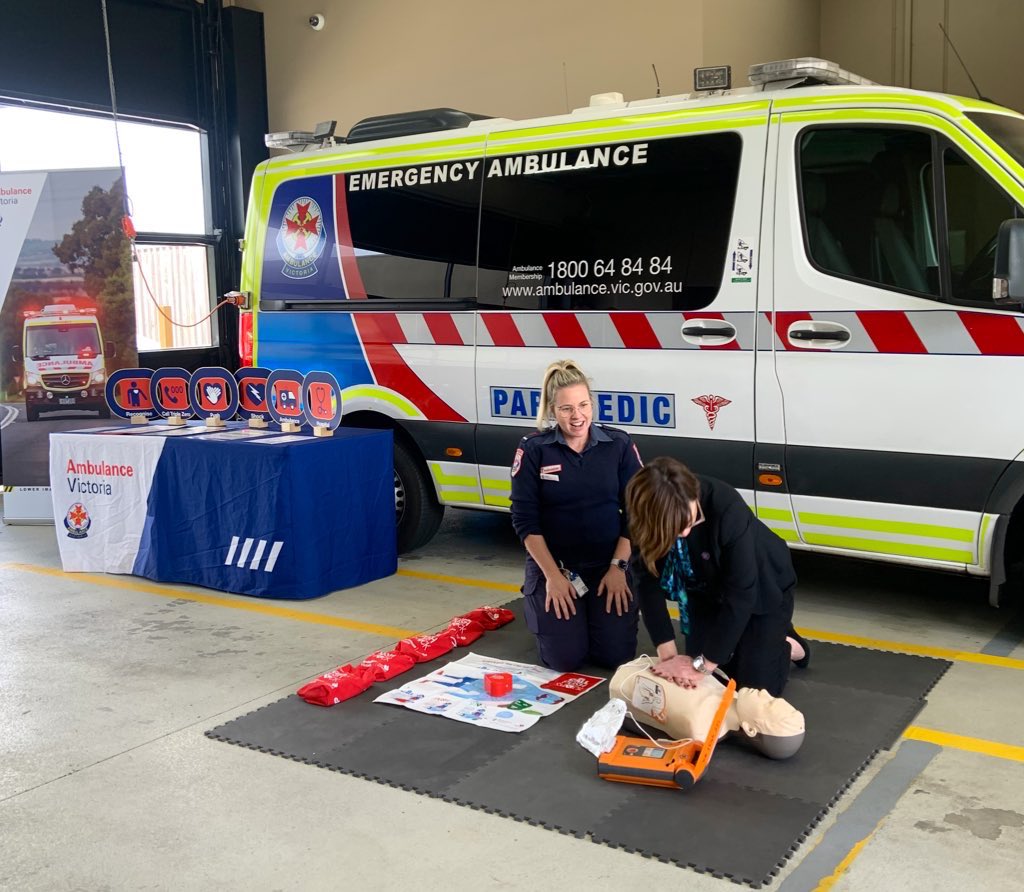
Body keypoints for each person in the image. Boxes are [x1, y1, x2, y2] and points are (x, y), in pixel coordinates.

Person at [625, 456, 810, 697]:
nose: (684, 531)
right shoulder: (642, 513)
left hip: (762, 584)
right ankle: (760, 640)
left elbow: (742, 595)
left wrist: (704, 666)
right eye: (675, 527)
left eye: (690, 519)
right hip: (702, 587)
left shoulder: (726, 505)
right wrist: (668, 656)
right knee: (714, 681)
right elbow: (646, 582)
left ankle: (787, 643)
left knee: (751, 691)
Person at [510, 359, 644, 671]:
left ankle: (589, 615)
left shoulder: (619, 445)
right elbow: (524, 520)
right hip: (556, 567)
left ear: (592, 404)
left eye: (583, 405)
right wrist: (553, 578)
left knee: (615, 657)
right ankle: (542, 607)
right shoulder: (533, 449)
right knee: (565, 660)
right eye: (566, 408)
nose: (577, 416)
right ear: (552, 411)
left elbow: (638, 512)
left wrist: (618, 567)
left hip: (607, 565)